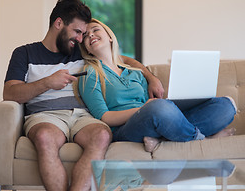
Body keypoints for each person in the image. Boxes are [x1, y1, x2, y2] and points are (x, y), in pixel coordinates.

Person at [3, 0, 164, 191]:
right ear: (59, 23)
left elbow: (124, 60)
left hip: (84, 116)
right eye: (77, 32)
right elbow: (10, 93)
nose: (81, 39)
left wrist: (151, 78)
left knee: (102, 135)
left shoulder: (82, 50)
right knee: (45, 137)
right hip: (45, 116)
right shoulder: (24, 53)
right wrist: (47, 83)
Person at [77, 18, 237, 153]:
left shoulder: (135, 72)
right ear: (86, 48)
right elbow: (104, 117)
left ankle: (161, 139)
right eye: (85, 36)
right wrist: (145, 108)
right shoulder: (89, 73)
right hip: (125, 129)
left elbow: (151, 105)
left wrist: (157, 106)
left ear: (110, 37)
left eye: (95, 30)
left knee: (226, 105)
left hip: (152, 119)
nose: (90, 35)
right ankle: (203, 139)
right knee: (159, 108)